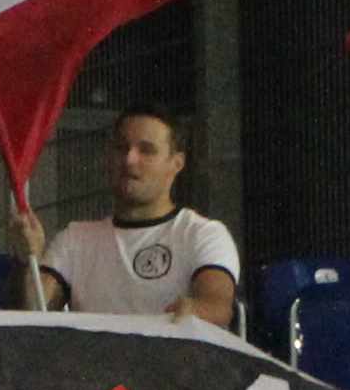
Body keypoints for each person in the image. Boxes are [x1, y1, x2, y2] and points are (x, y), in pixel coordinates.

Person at [25, 106, 238, 327]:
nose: (129, 159)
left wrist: (194, 311)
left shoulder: (202, 234)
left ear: (176, 163)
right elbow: (35, 312)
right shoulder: (75, 238)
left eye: (146, 150)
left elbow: (219, 308)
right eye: (121, 148)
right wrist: (30, 256)